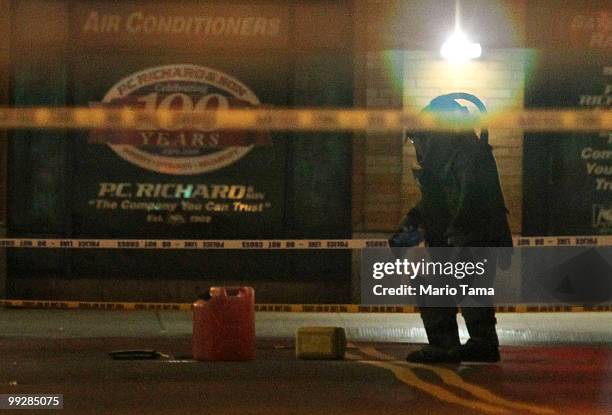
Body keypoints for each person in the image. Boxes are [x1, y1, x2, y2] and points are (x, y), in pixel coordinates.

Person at [390, 93, 512, 364]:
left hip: (471, 241)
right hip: (466, 240)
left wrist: (458, 246)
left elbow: (473, 203)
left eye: (419, 139)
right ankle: (483, 343)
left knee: (432, 284)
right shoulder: (450, 160)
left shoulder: (468, 157)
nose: (417, 147)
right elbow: (436, 203)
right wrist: (410, 224)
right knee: (471, 289)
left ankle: (445, 345)